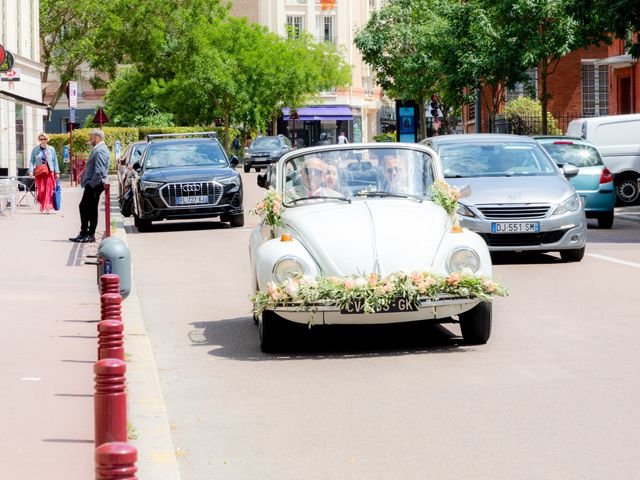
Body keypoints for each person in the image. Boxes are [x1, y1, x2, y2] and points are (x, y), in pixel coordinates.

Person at [69, 129, 110, 243]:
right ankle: (85, 233)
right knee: (88, 208)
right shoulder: (98, 149)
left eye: (91, 137)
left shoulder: (101, 150)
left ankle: (88, 234)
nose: (89, 139)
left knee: (87, 207)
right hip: (94, 184)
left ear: (97, 138)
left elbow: (99, 171)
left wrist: (90, 185)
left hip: (95, 185)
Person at [28, 132, 60, 214]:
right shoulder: (35, 150)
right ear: (39, 140)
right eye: (41, 139)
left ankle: (47, 207)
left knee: (48, 190)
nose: (43, 141)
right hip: (39, 173)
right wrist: (31, 171)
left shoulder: (51, 149)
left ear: (47, 140)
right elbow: (32, 161)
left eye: (44, 139)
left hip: (49, 172)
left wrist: (57, 172)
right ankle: (43, 205)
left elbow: (55, 161)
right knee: (41, 190)